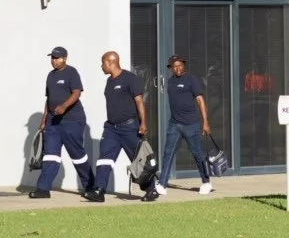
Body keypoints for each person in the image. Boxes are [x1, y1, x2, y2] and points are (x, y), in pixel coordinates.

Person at [31, 46, 95, 199]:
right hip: (53, 122)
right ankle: (43, 189)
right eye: (52, 58)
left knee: (77, 155)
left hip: (72, 121)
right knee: (50, 155)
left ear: (64, 58)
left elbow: (77, 92)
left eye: (56, 58)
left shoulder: (71, 72)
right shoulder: (50, 76)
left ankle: (91, 187)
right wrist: (43, 120)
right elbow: (49, 99)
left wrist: (64, 106)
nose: (53, 61)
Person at [147, 55, 211, 200]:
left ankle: (206, 182)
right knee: (168, 153)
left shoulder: (191, 80)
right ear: (171, 68)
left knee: (198, 154)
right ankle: (162, 185)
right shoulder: (169, 82)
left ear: (184, 65)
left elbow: (200, 100)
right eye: (174, 66)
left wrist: (205, 122)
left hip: (191, 125)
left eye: (179, 65)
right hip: (174, 124)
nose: (177, 68)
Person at [87, 51, 147, 202]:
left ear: (111, 62)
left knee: (139, 160)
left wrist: (143, 123)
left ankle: (152, 188)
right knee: (104, 159)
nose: (101, 66)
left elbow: (139, 101)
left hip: (129, 127)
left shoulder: (130, 79)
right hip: (111, 129)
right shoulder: (109, 81)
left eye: (103, 63)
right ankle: (99, 191)